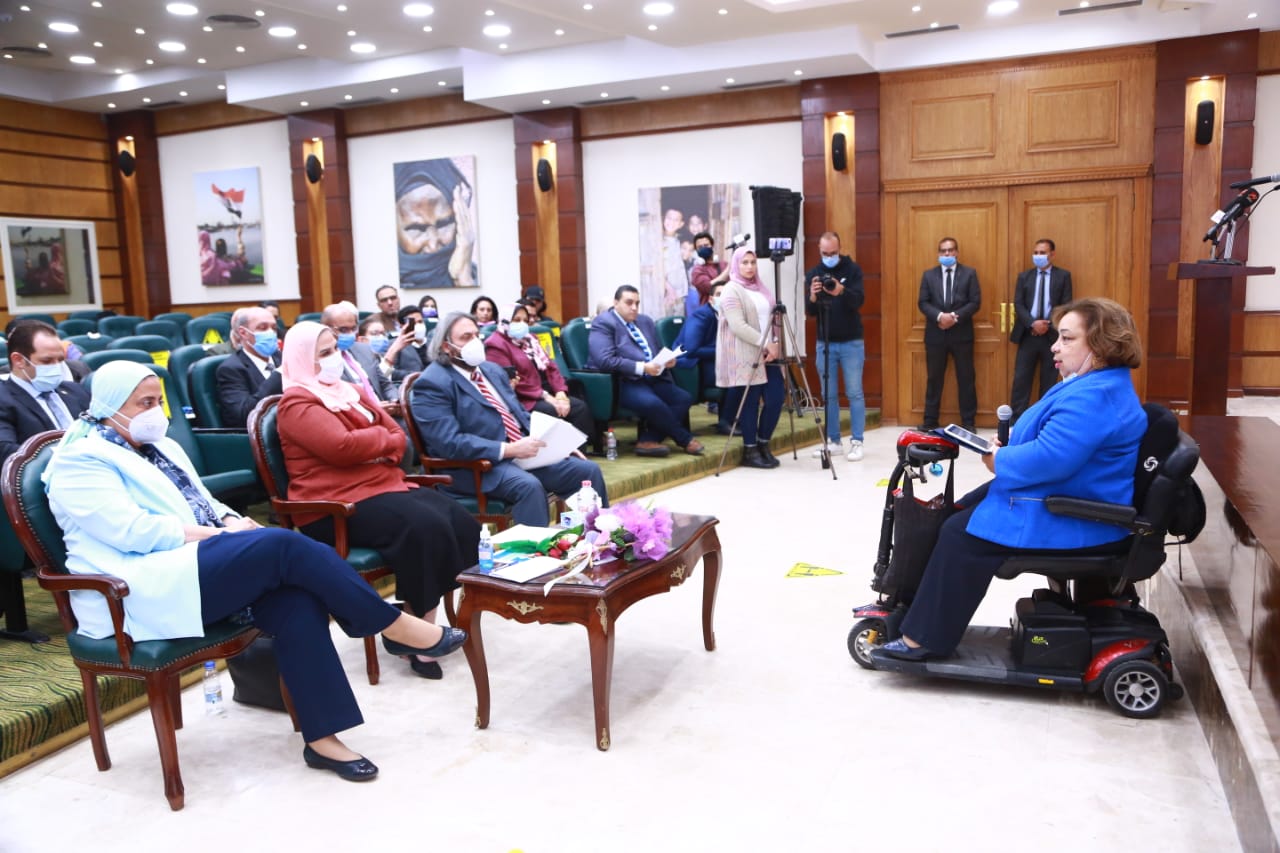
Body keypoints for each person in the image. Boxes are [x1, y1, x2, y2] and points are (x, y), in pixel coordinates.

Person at [43, 361, 467, 780]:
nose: (156, 412)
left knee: (295, 601)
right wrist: (220, 536)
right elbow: (132, 532)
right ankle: (392, 624)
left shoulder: (161, 447)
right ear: (110, 404)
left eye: (159, 401)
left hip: (190, 562)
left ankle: (323, 740)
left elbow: (205, 502)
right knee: (282, 545)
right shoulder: (79, 461)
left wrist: (231, 522)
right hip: (137, 586)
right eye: (145, 403)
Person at [877, 298, 1147, 662]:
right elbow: (1053, 441)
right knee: (958, 510)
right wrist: (1009, 445)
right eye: (1058, 337)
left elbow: (1050, 459)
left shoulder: (1095, 396)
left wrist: (998, 460)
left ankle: (924, 640)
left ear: (1101, 346)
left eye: (1067, 339)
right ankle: (917, 616)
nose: (1055, 346)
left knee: (960, 536)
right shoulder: (1094, 384)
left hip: (1075, 513)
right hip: (1064, 495)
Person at [277, 322, 480, 680]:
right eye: (324, 353)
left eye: (336, 349)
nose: (335, 358)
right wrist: (376, 440)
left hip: (381, 486)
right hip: (332, 505)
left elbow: (399, 437)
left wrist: (370, 442)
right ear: (302, 359)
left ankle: (413, 622)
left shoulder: (351, 391)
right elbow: (341, 448)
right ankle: (421, 639)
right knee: (425, 528)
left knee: (462, 523)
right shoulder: (296, 403)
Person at [412, 312, 607, 526]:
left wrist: (557, 445)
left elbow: (519, 415)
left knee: (587, 470)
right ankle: (532, 547)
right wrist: (508, 450)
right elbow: (449, 443)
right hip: (475, 467)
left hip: (520, 455)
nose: (475, 342)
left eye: (476, 335)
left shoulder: (491, 371)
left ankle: (598, 537)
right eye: (466, 337)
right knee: (528, 486)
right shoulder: (432, 384)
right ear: (446, 347)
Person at [588, 285, 702, 458]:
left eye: (637, 303)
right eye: (629, 303)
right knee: (653, 403)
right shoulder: (604, 323)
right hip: (621, 381)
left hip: (652, 376)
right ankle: (685, 440)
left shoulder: (645, 321)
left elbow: (655, 349)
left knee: (683, 398)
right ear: (616, 303)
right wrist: (642, 367)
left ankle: (648, 440)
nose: (634, 307)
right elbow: (604, 360)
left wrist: (666, 361)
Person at [484, 302, 593, 442]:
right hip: (524, 398)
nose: (522, 324)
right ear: (505, 321)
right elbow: (511, 380)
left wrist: (560, 392)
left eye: (525, 320)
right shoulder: (496, 344)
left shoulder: (531, 339)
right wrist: (546, 396)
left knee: (579, 407)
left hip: (544, 390)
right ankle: (558, 454)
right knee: (555, 411)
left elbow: (551, 367)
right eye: (516, 320)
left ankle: (577, 453)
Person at [717, 247, 785, 470]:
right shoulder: (731, 290)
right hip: (746, 352)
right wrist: (765, 343)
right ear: (736, 265)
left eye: (752, 262)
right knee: (750, 402)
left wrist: (775, 343)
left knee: (776, 398)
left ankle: (764, 443)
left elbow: (774, 319)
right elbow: (738, 325)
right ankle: (750, 449)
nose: (749, 267)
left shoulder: (761, 288)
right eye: (744, 262)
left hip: (769, 352)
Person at [805, 231, 866, 462]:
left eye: (833, 253)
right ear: (819, 250)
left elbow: (859, 300)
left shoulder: (853, 270)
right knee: (828, 395)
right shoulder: (814, 274)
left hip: (851, 341)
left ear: (840, 249)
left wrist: (842, 291)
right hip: (825, 342)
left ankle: (857, 441)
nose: (829, 257)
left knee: (854, 393)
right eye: (825, 253)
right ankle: (834, 441)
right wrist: (813, 296)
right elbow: (811, 312)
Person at [0, 320, 90, 461]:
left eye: (60, 359)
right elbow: (6, 452)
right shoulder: (3, 400)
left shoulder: (76, 390)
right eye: (47, 361)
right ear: (18, 360)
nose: (57, 367)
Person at [917, 236, 981, 431]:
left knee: (966, 379)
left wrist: (953, 317)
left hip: (962, 334)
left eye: (950, 250)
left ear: (956, 252)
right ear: (938, 253)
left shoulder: (969, 274)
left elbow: (975, 302)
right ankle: (930, 421)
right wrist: (939, 317)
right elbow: (923, 302)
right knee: (934, 379)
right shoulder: (929, 275)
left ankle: (968, 422)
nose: (947, 253)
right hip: (935, 335)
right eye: (943, 250)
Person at [1010, 238, 1073, 422]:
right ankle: (1017, 420)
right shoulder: (1024, 277)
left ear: (1052, 255)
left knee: (1048, 380)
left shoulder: (1063, 276)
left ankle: (1044, 419)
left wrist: (1047, 325)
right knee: (1021, 380)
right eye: (1036, 252)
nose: (1038, 256)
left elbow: (1066, 304)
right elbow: (1018, 304)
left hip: (1051, 337)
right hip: (1027, 335)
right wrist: (1032, 323)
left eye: (1042, 253)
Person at [394, 159, 475, 288]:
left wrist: (463, 277)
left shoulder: (472, 276)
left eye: (444, 224)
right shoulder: (387, 288)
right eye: (417, 229)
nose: (433, 246)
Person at [321, 301, 399, 417]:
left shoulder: (364, 349)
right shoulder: (323, 360)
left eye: (353, 328)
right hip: (357, 417)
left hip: (387, 413)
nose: (351, 334)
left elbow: (385, 384)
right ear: (326, 329)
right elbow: (335, 400)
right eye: (343, 330)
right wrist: (373, 409)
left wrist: (395, 401)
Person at [215, 306, 283, 428]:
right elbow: (244, 414)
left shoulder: (282, 358)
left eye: (273, 328)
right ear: (243, 333)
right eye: (262, 328)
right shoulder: (231, 369)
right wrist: (278, 375)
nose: (270, 333)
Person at [675, 281, 730, 433]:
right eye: (719, 295)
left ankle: (730, 420)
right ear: (711, 299)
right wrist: (723, 351)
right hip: (692, 364)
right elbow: (691, 349)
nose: (723, 298)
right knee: (733, 375)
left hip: (710, 362)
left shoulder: (728, 316)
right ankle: (726, 423)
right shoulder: (701, 315)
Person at [687, 231, 729, 316]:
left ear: (712, 245)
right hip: (709, 313)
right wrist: (728, 270)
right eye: (700, 247)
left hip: (728, 309)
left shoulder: (724, 265)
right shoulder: (697, 270)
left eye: (706, 245)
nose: (703, 248)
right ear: (696, 250)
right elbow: (709, 287)